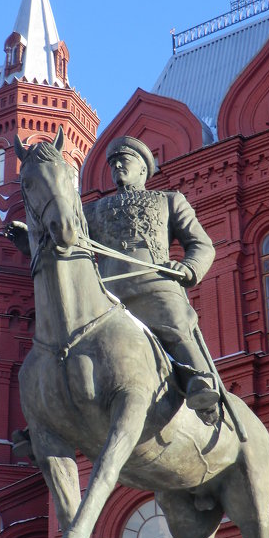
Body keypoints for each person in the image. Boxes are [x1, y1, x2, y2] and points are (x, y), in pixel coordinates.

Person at [82, 136, 220, 425]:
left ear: (143, 168)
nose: (117, 165)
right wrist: (29, 239)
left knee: (173, 319)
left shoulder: (169, 200)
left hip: (154, 283)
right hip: (107, 294)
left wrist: (187, 268)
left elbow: (202, 245)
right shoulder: (93, 210)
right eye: (113, 163)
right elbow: (66, 238)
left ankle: (199, 381)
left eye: (124, 160)